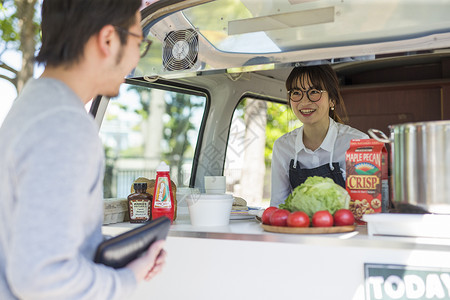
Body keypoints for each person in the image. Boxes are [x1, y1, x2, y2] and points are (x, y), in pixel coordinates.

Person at [0, 1, 166, 299]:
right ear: (108, 40)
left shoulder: (31, 105)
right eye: (139, 44)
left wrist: (120, 258)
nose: (134, 60)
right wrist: (128, 278)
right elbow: (41, 277)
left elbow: (32, 237)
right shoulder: (65, 125)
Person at [270, 65, 369, 207]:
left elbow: (365, 207)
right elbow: (278, 206)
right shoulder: (283, 147)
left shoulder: (359, 144)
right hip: (300, 227)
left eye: (314, 92)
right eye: (296, 92)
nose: (304, 102)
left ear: (332, 100)